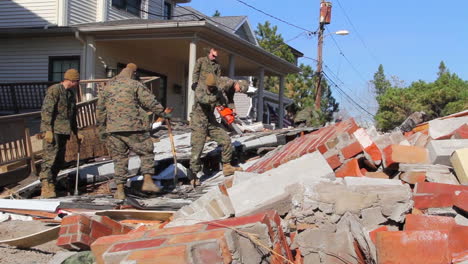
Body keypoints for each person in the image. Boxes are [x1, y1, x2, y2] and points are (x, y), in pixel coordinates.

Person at [96, 63, 171, 199]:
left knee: (119, 159)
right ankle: (148, 181)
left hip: (113, 129)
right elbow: (149, 101)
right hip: (133, 127)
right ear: (133, 73)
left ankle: (120, 190)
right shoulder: (134, 85)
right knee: (146, 151)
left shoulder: (107, 87)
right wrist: (163, 113)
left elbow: (100, 110)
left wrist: (102, 129)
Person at [190, 73, 244, 186]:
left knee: (226, 140)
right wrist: (216, 97)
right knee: (197, 147)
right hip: (198, 120)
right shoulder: (200, 88)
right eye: (210, 87)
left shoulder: (217, 90)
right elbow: (204, 100)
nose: (211, 89)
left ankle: (227, 166)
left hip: (210, 120)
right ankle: (193, 175)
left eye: (213, 87)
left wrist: (230, 109)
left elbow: (224, 102)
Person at [39, 68, 84, 198]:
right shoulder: (54, 90)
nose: (77, 84)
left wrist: (77, 132)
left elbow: (73, 115)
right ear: (71, 80)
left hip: (64, 131)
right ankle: (45, 186)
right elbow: (47, 111)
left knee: (58, 160)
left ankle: (52, 184)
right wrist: (47, 130)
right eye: (77, 81)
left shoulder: (70, 94)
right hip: (53, 131)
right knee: (49, 159)